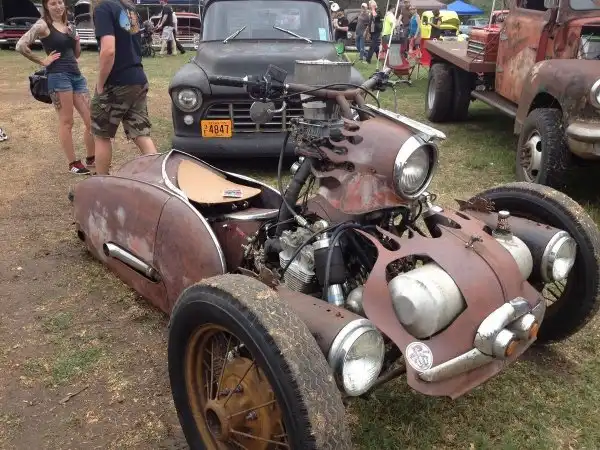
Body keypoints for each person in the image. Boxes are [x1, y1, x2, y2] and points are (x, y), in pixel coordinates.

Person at [16, 0, 95, 175]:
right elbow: (20, 45)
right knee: (67, 122)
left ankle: (91, 158)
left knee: (91, 119)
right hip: (58, 77)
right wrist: (42, 60)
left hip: (76, 76)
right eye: (53, 3)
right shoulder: (43, 25)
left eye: (60, 2)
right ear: (46, 6)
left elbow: (76, 54)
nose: (58, 6)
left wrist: (76, 39)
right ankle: (73, 163)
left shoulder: (69, 25)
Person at [91, 0, 158, 175]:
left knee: (102, 135)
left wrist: (100, 84)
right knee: (141, 133)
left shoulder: (103, 8)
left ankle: (102, 183)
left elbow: (108, 51)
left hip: (117, 82)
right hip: (137, 79)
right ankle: (158, 178)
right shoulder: (130, 9)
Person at [365, 0, 382, 64]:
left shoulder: (378, 11)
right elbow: (370, 23)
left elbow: (376, 17)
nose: (369, 6)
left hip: (377, 31)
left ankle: (368, 60)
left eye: (370, 5)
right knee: (375, 46)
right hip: (372, 31)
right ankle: (379, 57)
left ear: (373, 5)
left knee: (372, 45)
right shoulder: (371, 12)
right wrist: (368, 32)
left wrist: (373, 9)